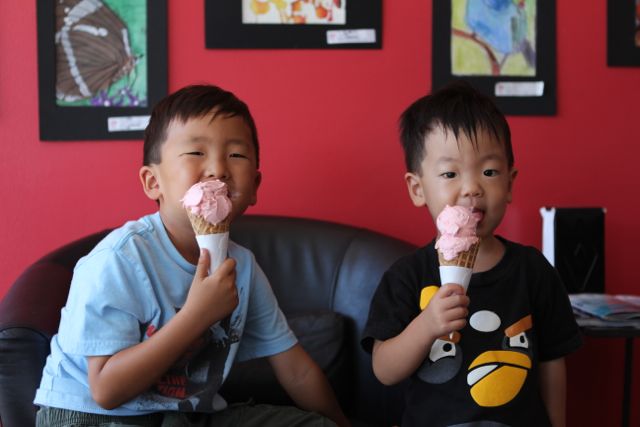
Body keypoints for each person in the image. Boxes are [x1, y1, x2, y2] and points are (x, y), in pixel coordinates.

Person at [34, 84, 350, 427]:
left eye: (236, 155)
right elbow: (106, 391)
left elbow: (297, 371)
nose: (218, 169)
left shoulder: (242, 268)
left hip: (185, 415)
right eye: (196, 152)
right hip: (92, 416)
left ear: (255, 187)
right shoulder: (120, 259)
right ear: (153, 182)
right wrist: (196, 316)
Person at [361, 81, 581, 427]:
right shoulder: (407, 275)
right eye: (450, 173)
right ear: (417, 189)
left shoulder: (533, 270)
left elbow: (552, 362)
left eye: (489, 172)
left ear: (509, 183)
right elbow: (384, 370)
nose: (472, 188)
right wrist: (427, 326)